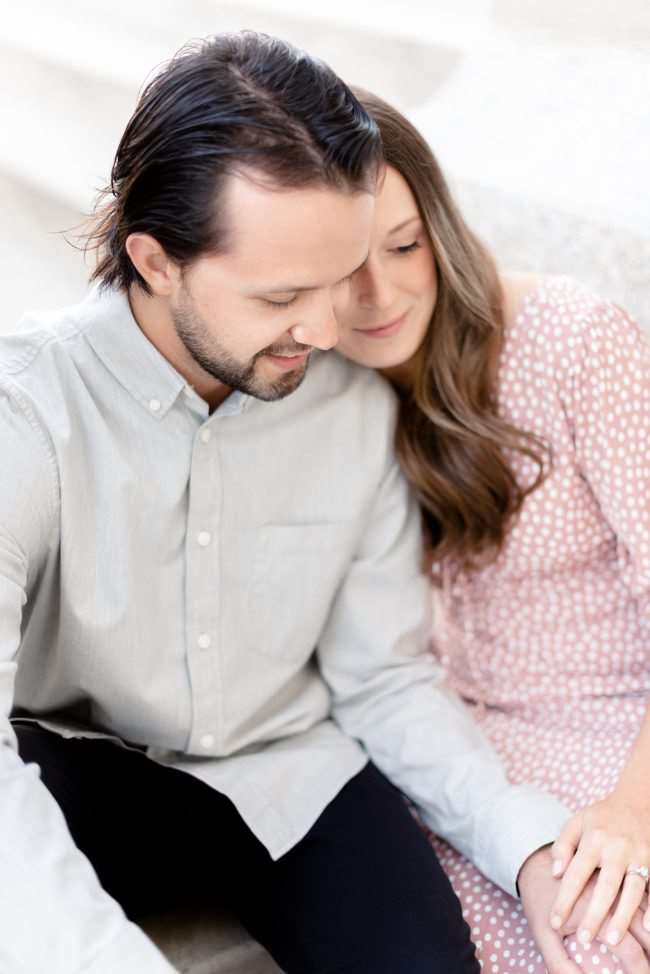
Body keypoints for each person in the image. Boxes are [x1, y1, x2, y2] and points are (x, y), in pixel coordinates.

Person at [0, 31, 572, 974]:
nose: (326, 326)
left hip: (295, 778)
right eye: (281, 295)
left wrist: (524, 841)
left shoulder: (347, 403)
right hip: (79, 771)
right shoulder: (28, 415)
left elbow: (385, 679)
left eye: (337, 277)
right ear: (154, 261)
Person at [332, 85, 650, 974]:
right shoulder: (317, 400)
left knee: (609, 924)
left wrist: (631, 811)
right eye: (342, 267)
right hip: (461, 763)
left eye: (405, 245)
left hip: (627, 737)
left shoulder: (574, 341)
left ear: (441, 222)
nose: (380, 294)